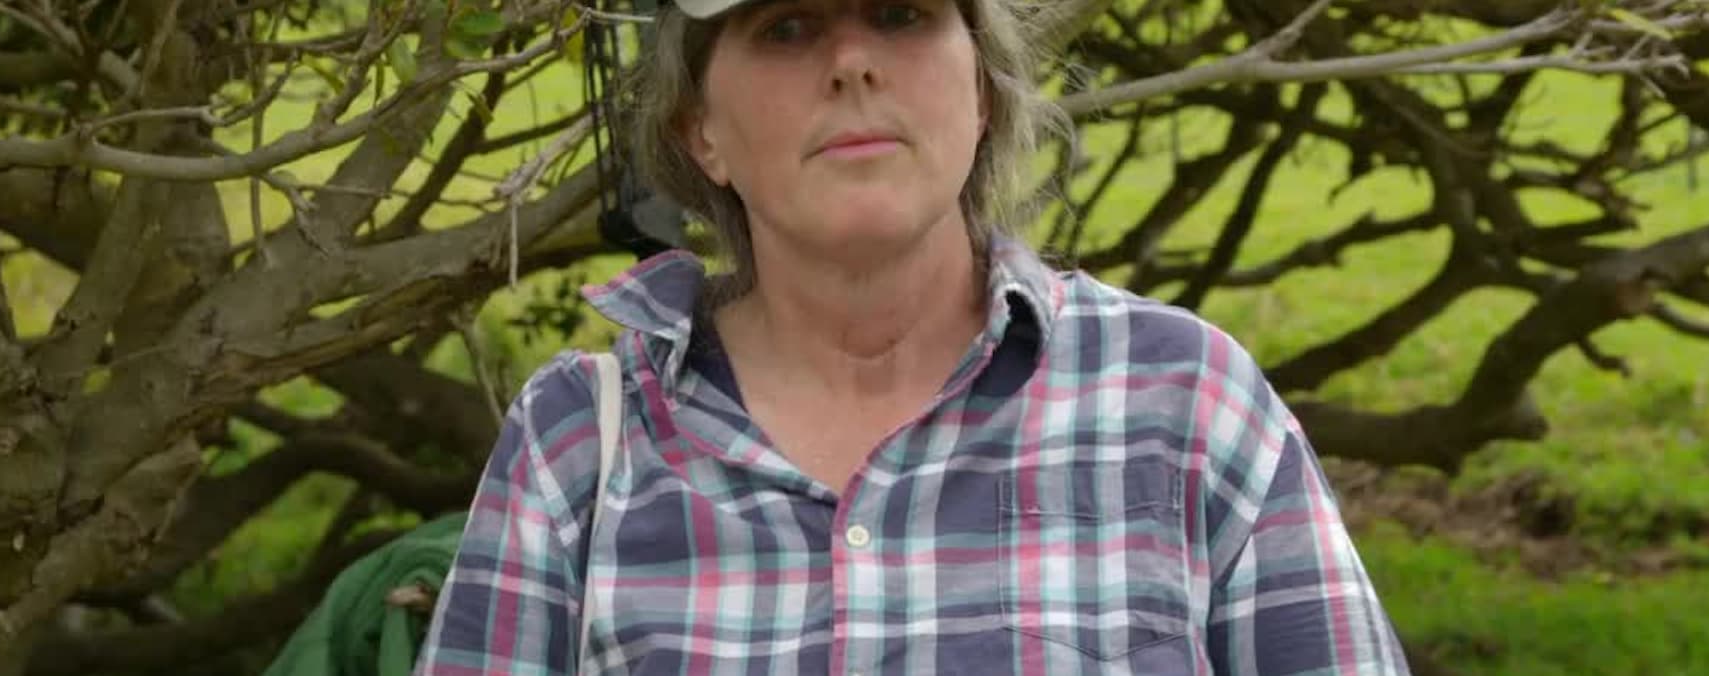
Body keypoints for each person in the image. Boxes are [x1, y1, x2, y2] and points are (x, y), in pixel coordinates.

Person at [413, 0, 1412, 673]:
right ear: (697, 130)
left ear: (982, 89)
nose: (852, 63)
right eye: (786, 25)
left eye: (900, 13)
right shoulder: (581, 442)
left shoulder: (1185, 402)